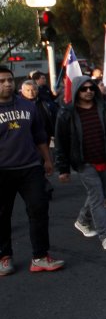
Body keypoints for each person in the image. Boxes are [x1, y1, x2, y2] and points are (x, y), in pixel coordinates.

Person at [0, 66, 65, 275]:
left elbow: (39, 135)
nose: (7, 84)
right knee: (2, 215)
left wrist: (47, 160)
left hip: (30, 167)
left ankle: (40, 256)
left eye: (9, 80)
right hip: (2, 171)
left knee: (39, 210)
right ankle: (4, 257)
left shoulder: (28, 106)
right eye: (1, 81)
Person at [55, 77, 106, 251]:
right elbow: (60, 142)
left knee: (98, 192)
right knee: (97, 197)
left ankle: (82, 220)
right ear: (76, 91)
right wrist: (63, 168)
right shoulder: (67, 113)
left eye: (91, 88)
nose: (88, 91)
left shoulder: (104, 108)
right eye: (84, 89)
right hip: (83, 162)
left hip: (104, 157)